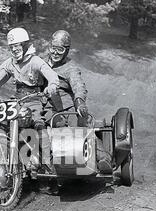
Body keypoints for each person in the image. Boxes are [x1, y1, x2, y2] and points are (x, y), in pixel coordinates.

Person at [0, 27, 61, 173]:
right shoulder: (10, 63)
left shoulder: (35, 61)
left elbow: (51, 75)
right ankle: (6, 153)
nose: (15, 49)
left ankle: (47, 161)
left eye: (17, 45)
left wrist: (52, 86)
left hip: (34, 98)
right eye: (11, 46)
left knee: (38, 122)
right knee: (2, 122)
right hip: (17, 100)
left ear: (25, 44)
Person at [46, 30, 113, 173]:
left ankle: (103, 159)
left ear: (66, 51)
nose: (55, 53)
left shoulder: (70, 68)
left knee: (78, 130)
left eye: (60, 49)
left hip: (65, 108)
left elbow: (78, 86)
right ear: (49, 46)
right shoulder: (41, 62)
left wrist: (79, 101)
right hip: (42, 105)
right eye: (53, 48)